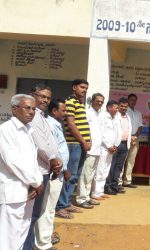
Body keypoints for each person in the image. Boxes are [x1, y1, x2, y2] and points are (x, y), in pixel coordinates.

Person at [0, 94, 43, 250]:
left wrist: (37, 183)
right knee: (8, 237)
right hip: (13, 192)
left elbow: (33, 162)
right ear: (14, 109)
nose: (31, 112)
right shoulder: (5, 131)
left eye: (33, 109)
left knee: (22, 232)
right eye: (27, 108)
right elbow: (13, 163)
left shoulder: (28, 131)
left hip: (29, 191)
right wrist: (37, 182)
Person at [24, 84, 62, 250]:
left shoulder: (42, 117)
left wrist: (57, 160)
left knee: (37, 213)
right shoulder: (33, 117)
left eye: (48, 97)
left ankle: (31, 244)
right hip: (38, 171)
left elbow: (50, 143)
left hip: (46, 169)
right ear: (33, 95)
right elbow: (40, 144)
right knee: (31, 215)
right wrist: (53, 161)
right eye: (42, 96)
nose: (46, 100)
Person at [35, 99, 70, 249]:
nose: (66, 113)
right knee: (47, 208)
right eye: (63, 110)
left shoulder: (55, 125)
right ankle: (42, 243)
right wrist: (62, 168)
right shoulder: (49, 125)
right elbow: (49, 150)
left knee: (49, 208)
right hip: (54, 171)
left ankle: (45, 238)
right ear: (54, 111)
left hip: (58, 170)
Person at [56, 79, 91, 216]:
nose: (84, 90)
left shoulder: (79, 103)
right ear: (74, 87)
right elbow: (71, 125)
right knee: (69, 176)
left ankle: (67, 203)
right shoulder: (70, 102)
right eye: (82, 87)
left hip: (80, 145)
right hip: (74, 144)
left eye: (86, 88)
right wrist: (83, 141)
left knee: (74, 176)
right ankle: (60, 206)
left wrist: (88, 140)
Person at [76, 93, 105, 209]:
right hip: (89, 149)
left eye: (101, 102)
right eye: (97, 101)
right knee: (85, 175)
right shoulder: (87, 112)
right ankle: (81, 199)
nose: (99, 103)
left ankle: (87, 197)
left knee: (91, 175)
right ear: (92, 101)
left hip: (98, 149)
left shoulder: (100, 114)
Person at [92, 100, 120, 199]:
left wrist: (115, 145)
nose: (117, 110)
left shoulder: (116, 118)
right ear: (109, 108)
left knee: (106, 170)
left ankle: (100, 191)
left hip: (112, 148)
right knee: (100, 170)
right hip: (104, 148)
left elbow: (117, 133)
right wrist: (108, 146)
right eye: (115, 108)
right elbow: (101, 133)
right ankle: (95, 193)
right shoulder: (102, 116)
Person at [105, 98, 132, 195]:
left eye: (126, 106)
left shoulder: (128, 117)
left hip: (125, 144)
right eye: (122, 106)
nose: (124, 108)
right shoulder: (115, 116)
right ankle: (108, 186)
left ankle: (115, 185)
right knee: (112, 166)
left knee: (119, 167)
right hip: (116, 144)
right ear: (118, 106)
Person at [122, 93, 143, 188]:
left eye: (135, 100)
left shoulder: (138, 113)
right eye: (131, 100)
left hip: (135, 139)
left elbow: (140, 126)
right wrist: (130, 137)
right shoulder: (125, 112)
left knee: (131, 160)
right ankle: (118, 181)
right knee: (122, 160)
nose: (133, 101)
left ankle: (127, 181)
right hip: (125, 138)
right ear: (128, 100)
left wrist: (135, 137)